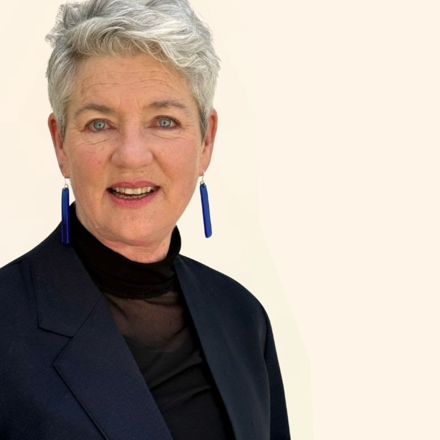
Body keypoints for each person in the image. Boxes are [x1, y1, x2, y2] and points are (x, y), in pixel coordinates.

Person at [0, 0, 290, 438]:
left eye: (164, 121)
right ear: (61, 144)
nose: (132, 155)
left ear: (206, 141)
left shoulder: (243, 318)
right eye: (99, 124)